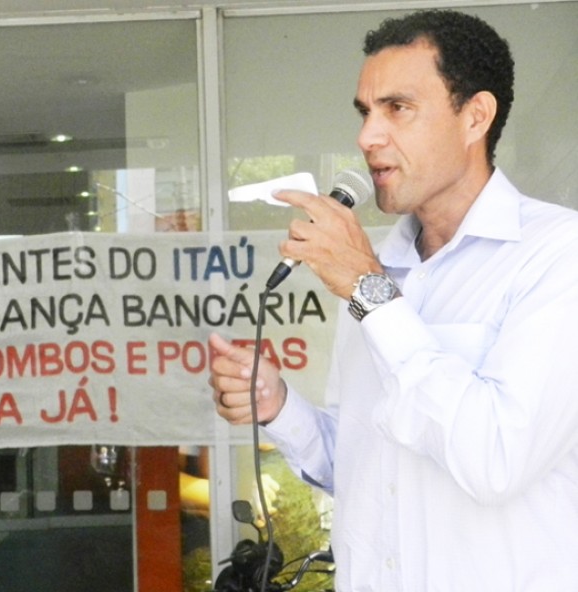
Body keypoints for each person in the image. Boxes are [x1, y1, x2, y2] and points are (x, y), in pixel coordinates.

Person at [209, 9, 578, 591]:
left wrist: (370, 291)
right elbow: (366, 464)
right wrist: (278, 406)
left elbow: (496, 460)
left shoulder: (557, 255)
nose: (367, 137)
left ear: (475, 116)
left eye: (398, 108)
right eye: (365, 112)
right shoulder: (378, 265)